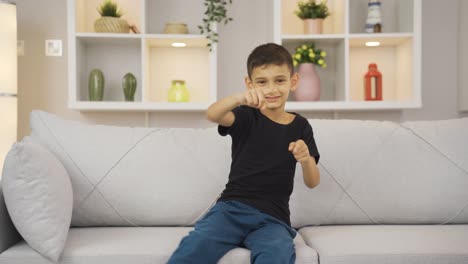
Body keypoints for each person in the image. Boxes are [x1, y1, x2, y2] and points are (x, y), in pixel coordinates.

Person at [167, 43, 320, 264]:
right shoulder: (246, 116)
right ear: (250, 84)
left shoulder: (301, 126)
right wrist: (240, 99)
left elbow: (313, 181)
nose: (271, 89)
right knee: (195, 248)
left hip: (273, 219)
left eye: (279, 80)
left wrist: (306, 160)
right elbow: (212, 114)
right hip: (231, 210)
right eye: (261, 82)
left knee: (277, 254)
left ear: (293, 81)